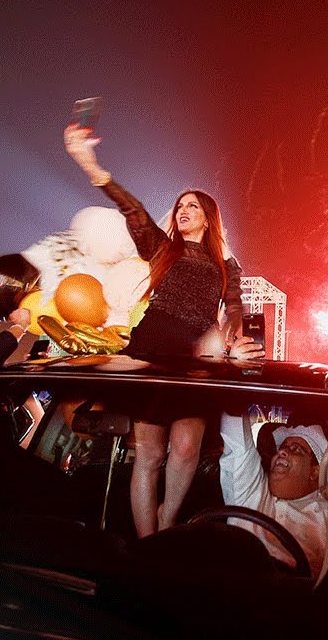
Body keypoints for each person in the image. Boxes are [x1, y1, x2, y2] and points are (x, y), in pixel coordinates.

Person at [65, 122, 245, 538]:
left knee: (185, 450)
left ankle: (167, 521)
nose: (183, 211)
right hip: (152, 347)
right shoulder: (165, 248)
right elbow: (133, 211)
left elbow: (233, 307)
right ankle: (148, 543)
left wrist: (228, 336)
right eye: (180, 206)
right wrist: (92, 166)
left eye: (193, 207)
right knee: (149, 456)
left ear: (208, 218)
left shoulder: (226, 266)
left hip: (195, 359)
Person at [219, 411, 328, 577]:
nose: (282, 452)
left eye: (296, 449)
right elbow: (235, 432)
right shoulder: (252, 491)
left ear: (315, 472)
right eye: (282, 448)